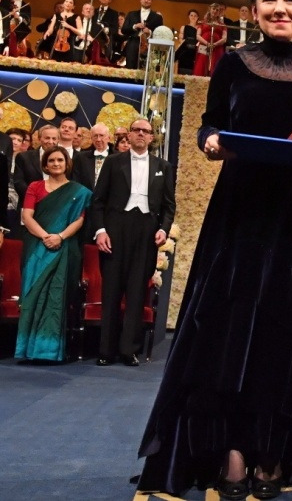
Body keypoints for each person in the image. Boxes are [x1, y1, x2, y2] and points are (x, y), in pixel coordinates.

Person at [137, 0, 292, 498]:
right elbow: (210, 122)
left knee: (286, 331)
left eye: (290, 0)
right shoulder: (232, 64)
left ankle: (271, 455)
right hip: (238, 213)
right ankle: (229, 455)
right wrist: (209, 141)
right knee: (226, 328)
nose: (280, 8)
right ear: (253, 10)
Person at [90, 117, 175, 367]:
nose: (140, 134)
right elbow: (97, 201)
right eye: (136, 130)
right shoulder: (114, 162)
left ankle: (129, 350)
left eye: (145, 131)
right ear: (128, 135)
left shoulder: (163, 166)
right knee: (112, 290)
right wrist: (101, 231)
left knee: (138, 292)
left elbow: (170, 205)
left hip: (146, 231)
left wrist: (164, 229)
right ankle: (106, 350)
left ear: (151, 137)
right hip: (115, 228)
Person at [15, 147, 91, 363]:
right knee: (32, 296)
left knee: (56, 298)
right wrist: (46, 236)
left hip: (64, 249)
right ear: (45, 165)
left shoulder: (79, 192)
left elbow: (79, 220)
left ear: (67, 163)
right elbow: (27, 217)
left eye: (60, 160)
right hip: (36, 249)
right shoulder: (35, 187)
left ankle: (49, 351)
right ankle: (26, 350)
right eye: (51, 160)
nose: (56, 164)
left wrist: (60, 236)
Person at [119, 0, 164, 69]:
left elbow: (160, 34)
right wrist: (135, 26)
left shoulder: (158, 17)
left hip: (149, 46)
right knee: (130, 68)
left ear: (151, 1)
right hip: (132, 44)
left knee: (146, 69)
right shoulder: (131, 14)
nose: (146, 1)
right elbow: (124, 30)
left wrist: (150, 32)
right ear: (140, 0)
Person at [194, 3, 227, 77]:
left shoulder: (222, 25)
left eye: (217, 10)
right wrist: (207, 43)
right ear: (210, 9)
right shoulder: (202, 22)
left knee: (216, 66)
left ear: (219, 12)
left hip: (217, 48)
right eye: (213, 9)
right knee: (202, 65)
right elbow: (198, 36)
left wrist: (215, 44)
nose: (215, 11)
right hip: (204, 47)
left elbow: (224, 38)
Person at [176, 9, 200, 74]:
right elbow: (180, 38)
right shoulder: (183, 27)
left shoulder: (199, 28)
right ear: (188, 16)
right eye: (191, 15)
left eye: (195, 16)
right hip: (185, 51)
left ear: (198, 17)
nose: (193, 17)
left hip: (194, 51)